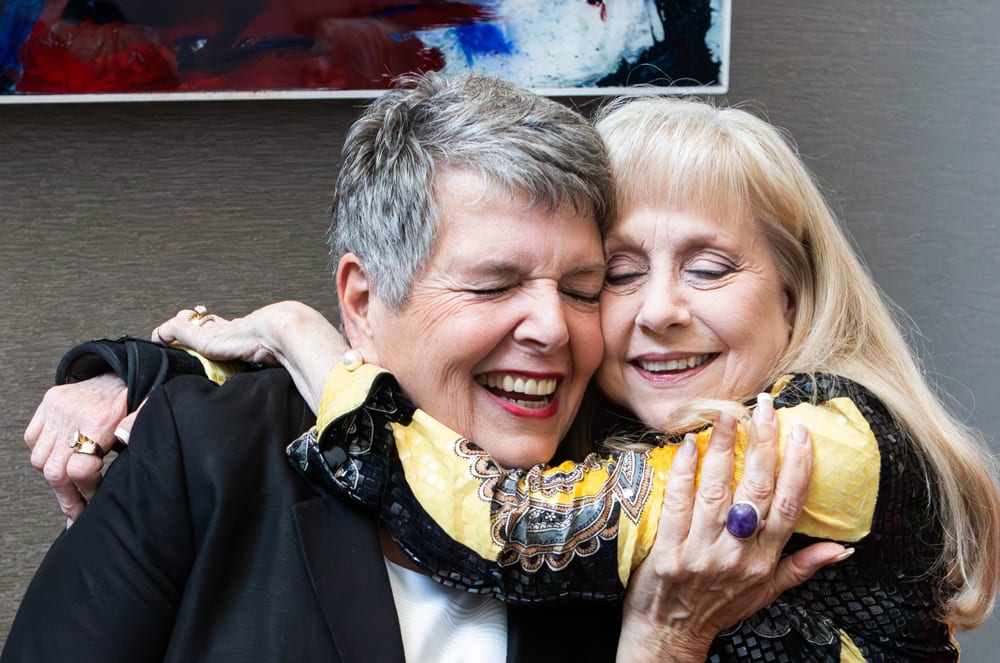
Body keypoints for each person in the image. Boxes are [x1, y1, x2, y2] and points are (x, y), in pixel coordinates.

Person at [90, 95, 1000, 659]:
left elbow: (506, 522)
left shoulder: (808, 445)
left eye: (711, 268)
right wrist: (130, 370)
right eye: (618, 274)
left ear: (798, 300)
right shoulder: (602, 437)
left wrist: (299, 333)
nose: (657, 312)